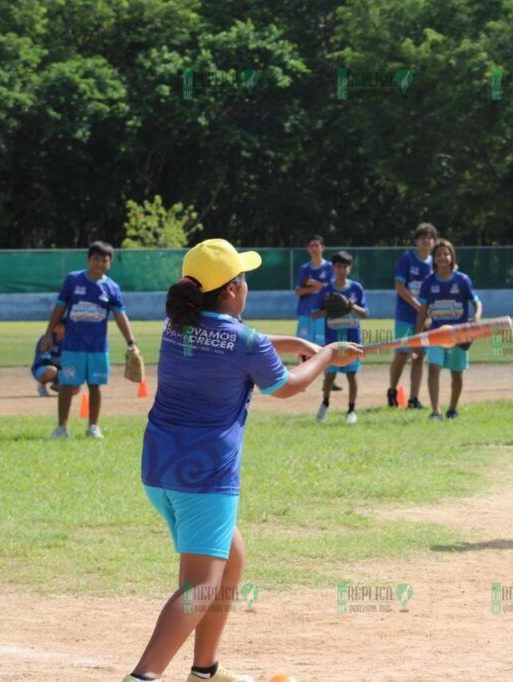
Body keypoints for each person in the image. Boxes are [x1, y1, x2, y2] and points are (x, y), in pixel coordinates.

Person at [124, 239, 361, 682]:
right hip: (206, 477)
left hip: (159, 470)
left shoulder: (176, 324)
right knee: (200, 585)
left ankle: (205, 670)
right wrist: (328, 354)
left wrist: (290, 341)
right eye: (243, 280)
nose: (246, 286)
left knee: (230, 559)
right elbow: (287, 386)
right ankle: (144, 677)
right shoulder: (244, 340)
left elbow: (234, 342)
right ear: (231, 291)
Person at [41, 241, 137, 439]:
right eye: (96, 259)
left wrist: (131, 342)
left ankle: (93, 427)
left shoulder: (111, 288)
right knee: (67, 385)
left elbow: (120, 316)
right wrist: (49, 333)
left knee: (95, 386)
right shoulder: (73, 280)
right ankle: (62, 428)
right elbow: (59, 308)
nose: (100, 264)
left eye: (104, 260)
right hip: (73, 346)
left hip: (98, 348)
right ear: (88, 260)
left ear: (109, 263)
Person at [415, 239, 481, 420]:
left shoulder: (462, 280)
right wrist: (417, 334)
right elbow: (422, 311)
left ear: (452, 256)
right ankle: (436, 411)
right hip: (437, 333)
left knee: (456, 373)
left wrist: (476, 318)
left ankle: (452, 409)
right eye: (438, 255)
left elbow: (477, 303)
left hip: (458, 334)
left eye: (446, 253)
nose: (442, 257)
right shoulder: (428, 282)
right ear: (434, 259)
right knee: (433, 368)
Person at [312, 251, 368, 424]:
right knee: (330, 376)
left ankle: (351, 410)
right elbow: (315, 314)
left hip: (352, 339)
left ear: (349, 269)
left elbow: (365, 314)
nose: (341, 270)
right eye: (338, 266)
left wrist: (349, 305)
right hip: (333, 340)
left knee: (352, 375)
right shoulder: (327, 290)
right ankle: (325, 403)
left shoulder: (356, 288)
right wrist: (330, 310)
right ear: (333, 268)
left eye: (345, 266)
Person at [387, 223, 437, 409]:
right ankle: (392, 390)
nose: (426, 240)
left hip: (425, 318)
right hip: (406, 314)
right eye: (422, 237)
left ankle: (414, 398)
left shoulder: (435, 262)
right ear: (416, 241)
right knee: (402, 354)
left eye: (429, 237)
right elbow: (400, 287)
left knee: (419, 356)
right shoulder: (407, 258)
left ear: (434, 241)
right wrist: (418, 307)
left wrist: (428, 312)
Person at [294, 235, 339, 396]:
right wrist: (316, 287)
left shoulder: (329, 268)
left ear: (323, 248)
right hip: (306, 311)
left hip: (322, 312)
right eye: (311, 246)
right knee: (303, 346)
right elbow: (298, 291)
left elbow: (332, 289)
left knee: (324, 345)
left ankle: (329, 379)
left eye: (317, 245)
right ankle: (302, 381)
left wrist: (315, 284)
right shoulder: (304, 269)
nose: (314, 248)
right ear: (308, 249)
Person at [31, 319, 66, 397]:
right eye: (56, 327)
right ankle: (41, 385)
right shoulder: (47, 339)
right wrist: (59, 375)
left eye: (61, 327)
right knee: (52, 370)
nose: (58, 329)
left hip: (59, 369)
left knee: (75, 389)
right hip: (42, 369)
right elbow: (46, 361)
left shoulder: (68, 341)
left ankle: (59, 386)